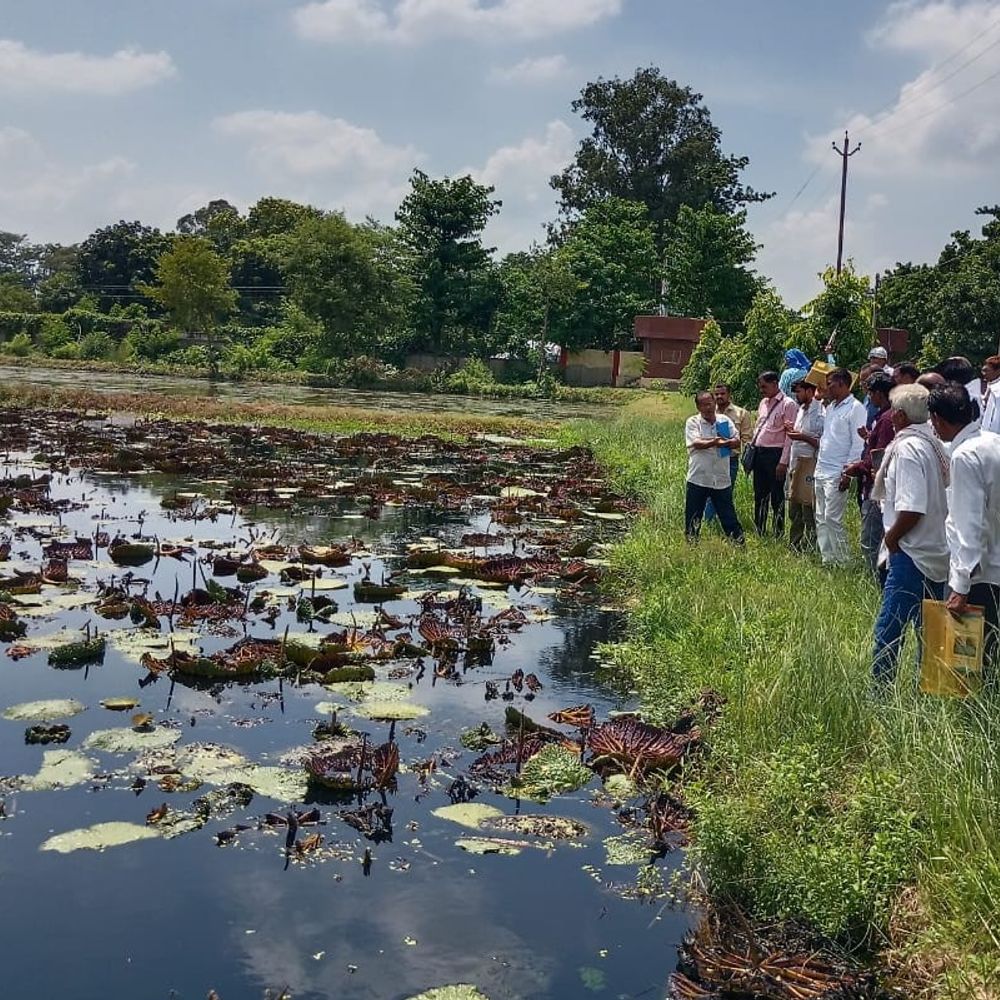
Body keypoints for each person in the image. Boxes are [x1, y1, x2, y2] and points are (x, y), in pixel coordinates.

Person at [869, 385, 950, 686]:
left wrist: (891, 541)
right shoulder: (932, 442)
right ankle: (929, 691)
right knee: (929, 633)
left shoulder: (907, 448)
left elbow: (912, 508)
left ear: (900, 415)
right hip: (934, 551)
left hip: (911, 552)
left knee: (889, 630)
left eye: (892, 412)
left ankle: (880, 695)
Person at [928, 384, 1000, 674]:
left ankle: (973, 712)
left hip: (981, 572)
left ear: (937, 419)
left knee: (972, 660)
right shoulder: (992, 440)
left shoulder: (964, 456)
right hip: (993, 563)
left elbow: (968, 526)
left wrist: (960, 585)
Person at [845, 372, 896, 577]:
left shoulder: (885, 418)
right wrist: (868, 438)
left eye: (871, 393)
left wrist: (858, 468)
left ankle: (874, 577)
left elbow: (879, 455)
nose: (869, 398)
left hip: (875, 486)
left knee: (871, 537)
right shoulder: (882, 415)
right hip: (876, 482)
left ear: (879, 394)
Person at [814, 368, 867, 566]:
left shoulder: (855, 408)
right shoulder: (831, 408)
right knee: (820, 516)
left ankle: (844, 561)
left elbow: (857, 443)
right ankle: (828, 558)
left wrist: (848, 471)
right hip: (821, 468)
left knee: (833, 518)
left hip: (837, 470)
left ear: (844, 384)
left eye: (831, 384)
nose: (828, 388)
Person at [684, 391, 745, 543]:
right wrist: (716, 442)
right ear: (698, 407)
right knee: (693, 516)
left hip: (721, 478)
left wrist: (728, 442)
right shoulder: (693, 422)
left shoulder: (724, 420)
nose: (708, 407)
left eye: (710, 403)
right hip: (699, 478)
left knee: (728, 515)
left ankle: (738, 544)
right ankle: (691, 546)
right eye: (704, 405)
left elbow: (736, 440)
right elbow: (696, 443)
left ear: (714, 403)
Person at [750, 371, 798, 536]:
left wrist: (783, 462)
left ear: (775, 383)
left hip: (776, 454)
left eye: (764, 386)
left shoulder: (788, 404)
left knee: (777, 496)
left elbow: (789, 437)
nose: (762, 390)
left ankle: (778, 532)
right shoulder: (763, 402)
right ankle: (760, 529)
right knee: (760, 494)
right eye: (760, 386)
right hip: (759, 453)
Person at [784, 379, 824, 552]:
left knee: (808, 509)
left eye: (799, 392)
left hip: (809, 465)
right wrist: (793, 430)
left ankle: (810, 546)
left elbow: (823, 443)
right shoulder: (801, 410)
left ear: (810, 391)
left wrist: (802, 437)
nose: (797, 396)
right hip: (795, 465)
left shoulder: (821, 413)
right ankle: (795, 544)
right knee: (794, 510)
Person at [704, 382, 752, 523]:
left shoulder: (741, 413)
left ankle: (720, 521)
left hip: (730, 459)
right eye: (716, 394)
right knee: (708, 490)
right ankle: (709, 522)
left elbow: (747, 439)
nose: (719, 396)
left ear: (729, 394)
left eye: (722, 393)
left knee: (725, 492)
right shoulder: (708, 413)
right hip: (711, 458)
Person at [978, 355, 1000, 435]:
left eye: (986, 370)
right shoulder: (991, 386)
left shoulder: (997, 392)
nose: (983, 374)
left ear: (998, 371)